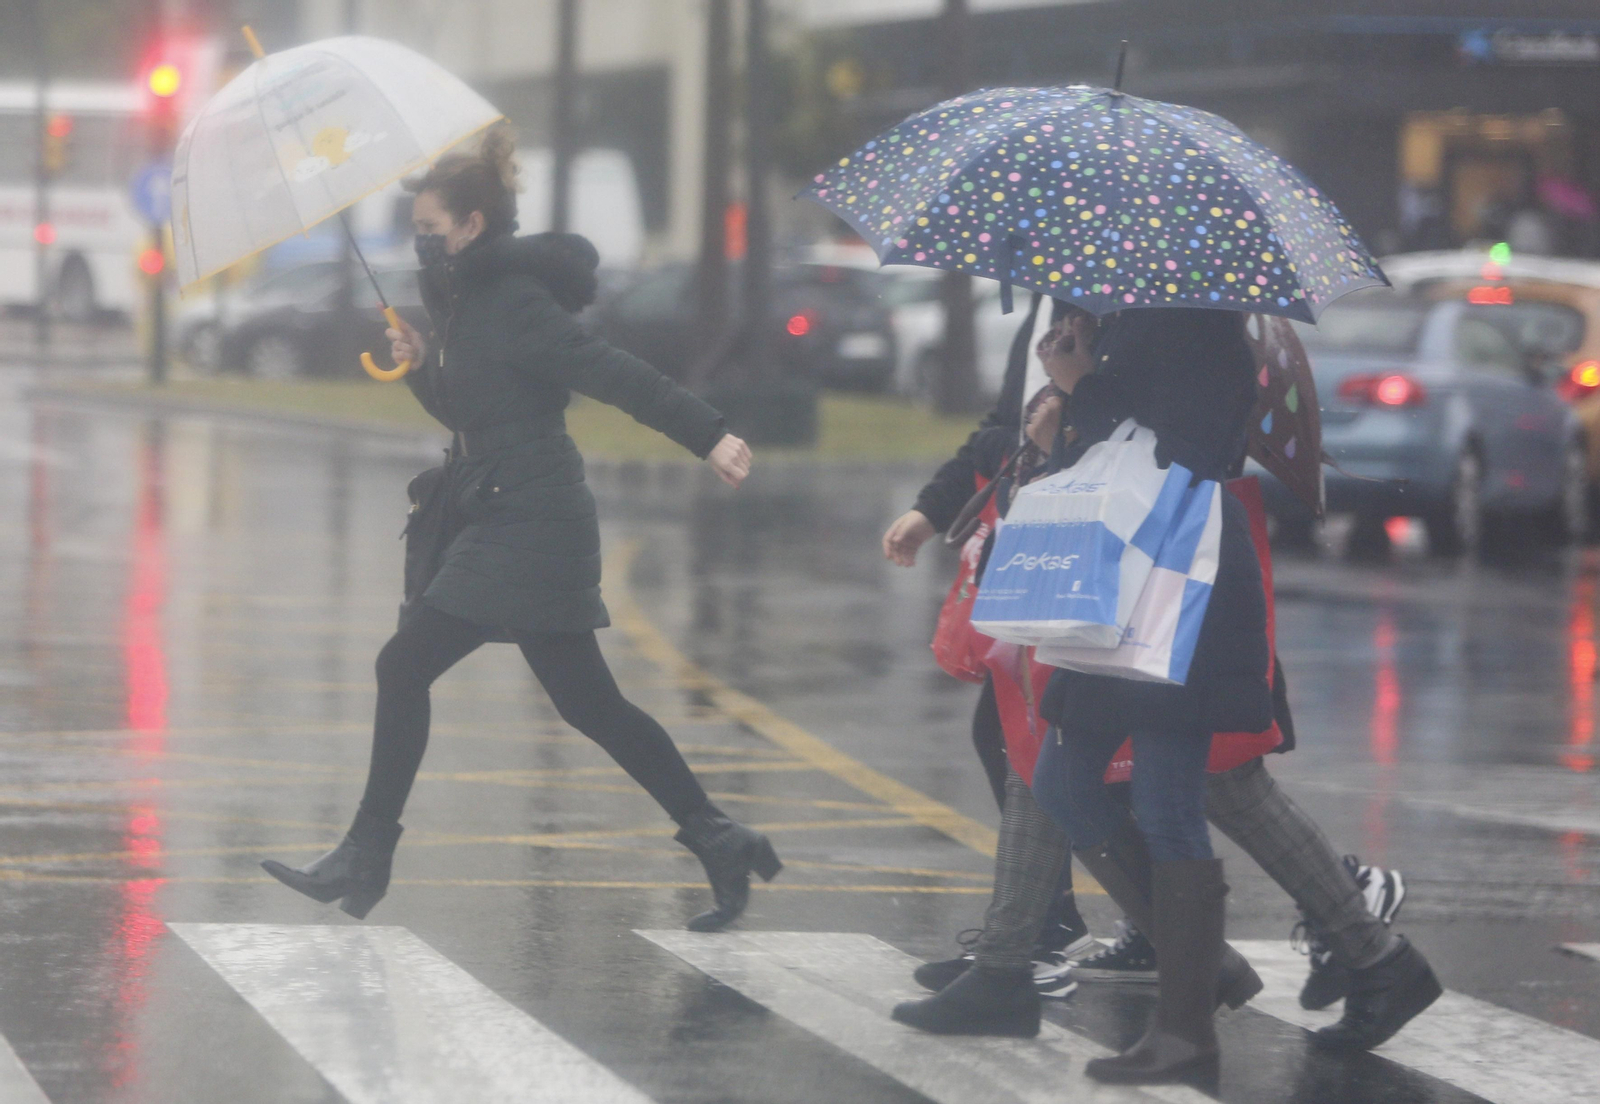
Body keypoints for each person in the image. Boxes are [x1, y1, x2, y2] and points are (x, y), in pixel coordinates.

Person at [260, 127, 781, 933]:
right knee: (591, 705)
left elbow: (612, 371)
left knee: (403, 665)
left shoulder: (513, 301)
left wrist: (707, 434)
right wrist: (420, 366)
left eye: (429, 229)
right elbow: (468, 413)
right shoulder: (464, 300)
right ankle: (720, 838)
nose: (418, 242)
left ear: (471, 225)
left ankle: (366, 853)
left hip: (531, 518)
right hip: (501, 507)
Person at [880, 300, 1100, 1007]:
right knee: (1022, 738)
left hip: (1097, 542)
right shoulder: (1050, 305)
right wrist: (932, 509)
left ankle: (1337, 922)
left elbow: (1146, 434)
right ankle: (1037, 933)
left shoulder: (1124, 306)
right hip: (1046, 536)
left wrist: (1071, 400)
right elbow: (1002, 431)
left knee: (1194, 780)